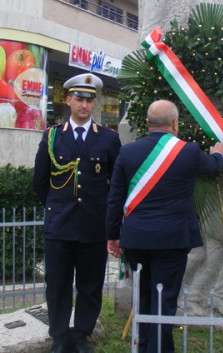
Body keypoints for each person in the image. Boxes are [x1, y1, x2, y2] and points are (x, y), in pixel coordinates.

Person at [106, 100, 223, 353]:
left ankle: (145, 347)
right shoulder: (189, 151)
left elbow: (115, 198)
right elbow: (213, 167)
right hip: (172, 241)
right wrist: (218, 153)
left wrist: (112, 236)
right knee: (165, 300)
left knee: (143, 298)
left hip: (137, 239)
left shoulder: (127, 152)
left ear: (147, 123)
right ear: (175, 124)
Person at [33, 73, 121, 353]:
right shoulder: (52, 137)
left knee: (90, 284)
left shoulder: (108, 139)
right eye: (79, 99)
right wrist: (56, 207)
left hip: (93, 226)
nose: (85, 104)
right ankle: (59, 337)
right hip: (59, 225)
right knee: (57, 284)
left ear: (94, 103)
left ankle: (81, 335)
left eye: (90, 99)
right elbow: (40, 181)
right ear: (68, 100)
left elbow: (116, 184)